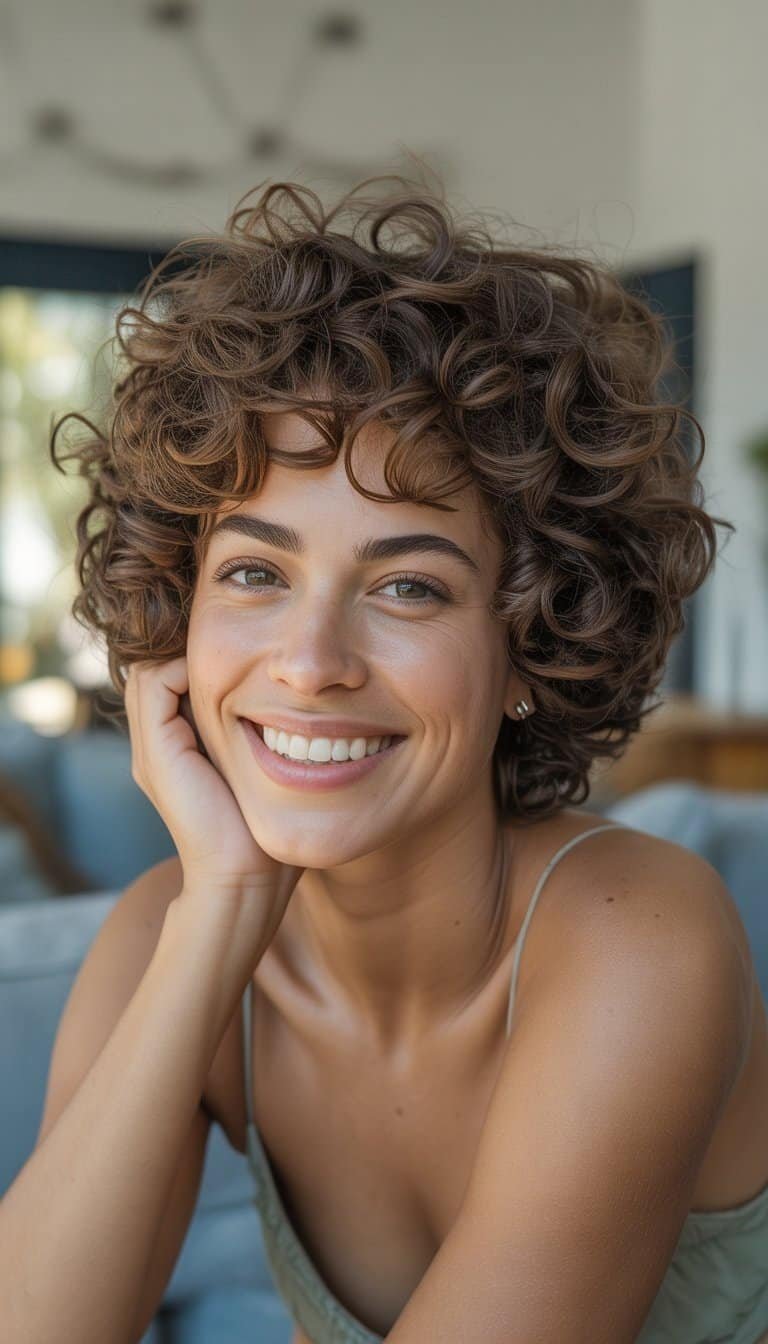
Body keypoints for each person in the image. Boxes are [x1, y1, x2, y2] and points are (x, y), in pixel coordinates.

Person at [2, 175, 767, 1344]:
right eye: (255, 573)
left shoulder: (636, 933)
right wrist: (221, 912)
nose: (310, 664)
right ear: (175, 621)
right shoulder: (171, 938)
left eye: (408, 586)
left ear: (532, 641)